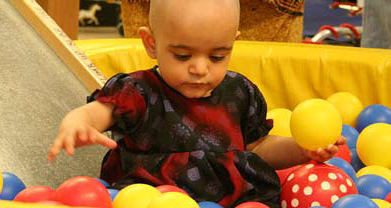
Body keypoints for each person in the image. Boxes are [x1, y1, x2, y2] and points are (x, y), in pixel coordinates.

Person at [48, 0, 345, 207]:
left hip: (232, 197)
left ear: (233, 42)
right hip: (150, 195)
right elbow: (97, 112)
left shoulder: (239, 92)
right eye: (183, 55)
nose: (200, 68)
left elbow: (256, 148)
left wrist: (301, 149)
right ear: (151, 44)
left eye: (217, 56)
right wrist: (77, 123)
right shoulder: (138, 91)